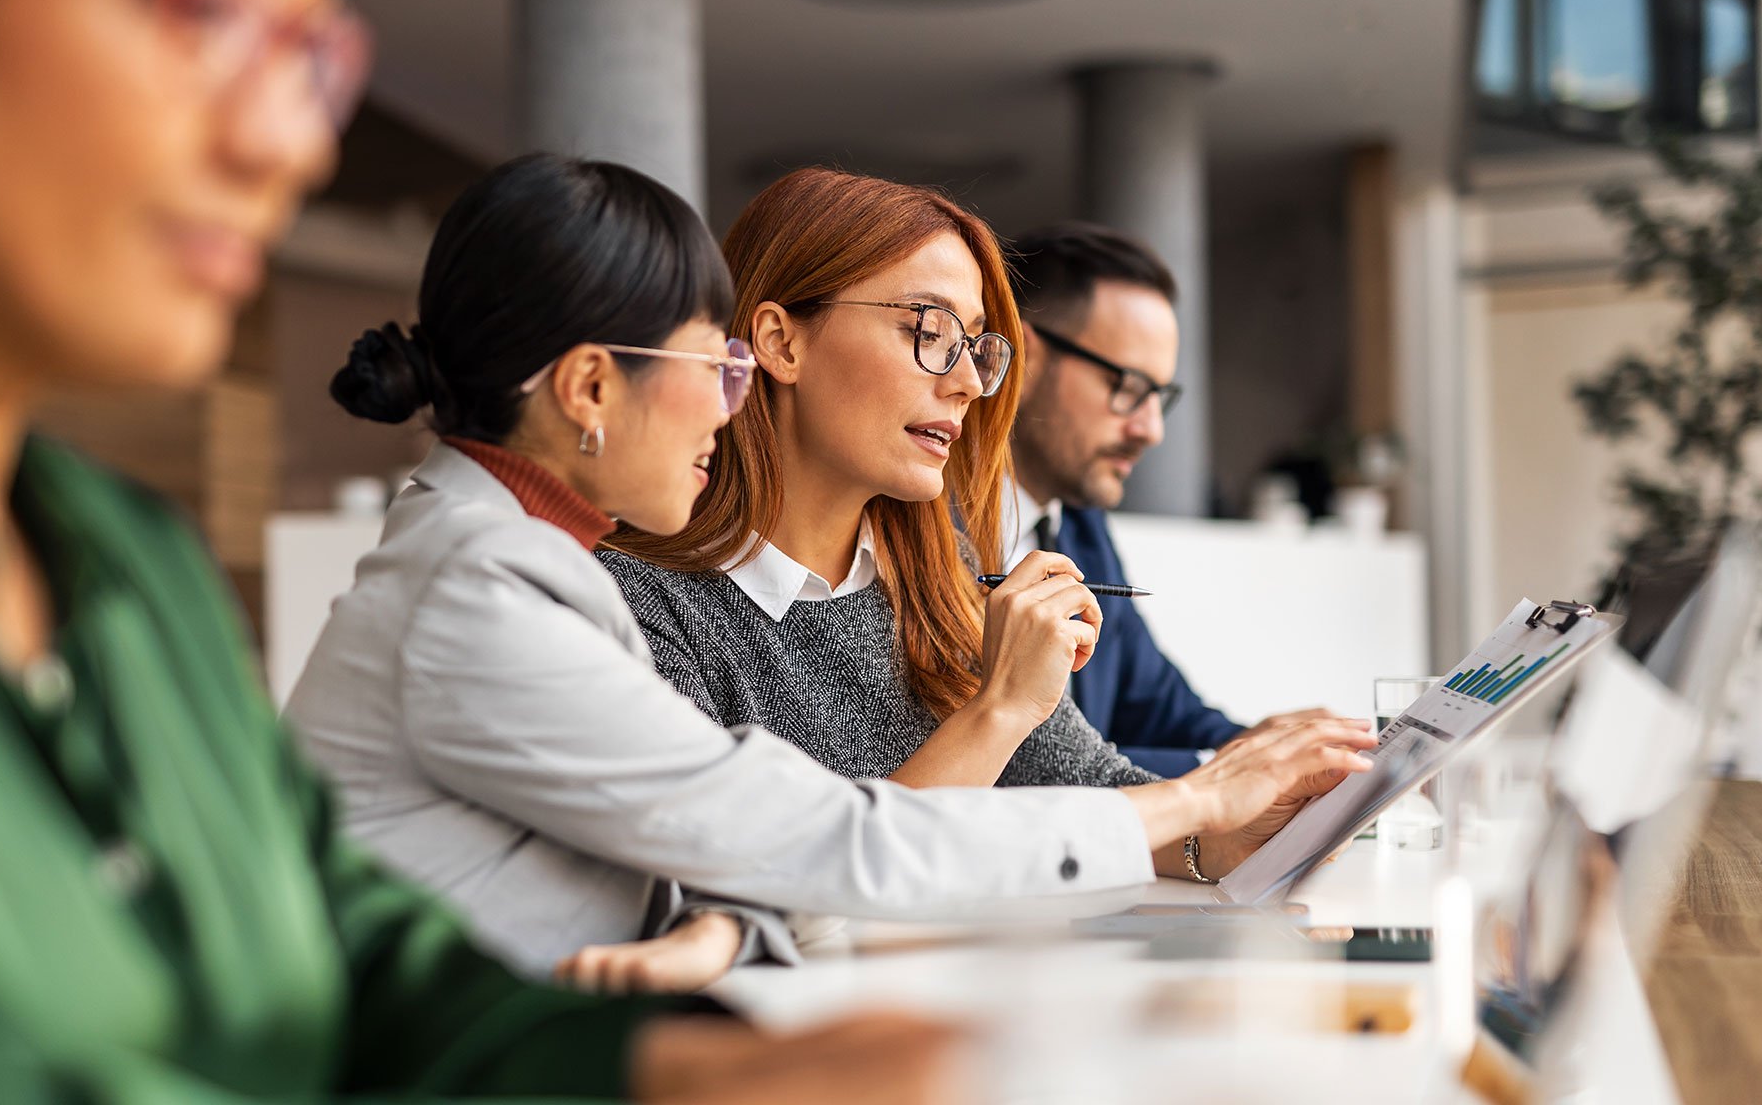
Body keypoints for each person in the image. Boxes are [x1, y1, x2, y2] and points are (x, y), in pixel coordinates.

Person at [0, 0, 970, 1101]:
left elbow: (358, 961)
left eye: (311, 49)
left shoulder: (139, 565)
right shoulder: (476, 579)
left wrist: (673, 1067)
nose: (293, 141)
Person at [284, 153, 1375, 996]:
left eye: (976, 346)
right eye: (708, 363)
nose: (726, 396)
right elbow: (808, 849)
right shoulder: (496, 590)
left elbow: (737, 865)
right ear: (588, 388)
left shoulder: (516, 559)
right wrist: (1186, 792)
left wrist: (1219, 829)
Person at [596, 167, 1374, 890]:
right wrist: (1001, 710)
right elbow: (772, 891)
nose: (969, 382)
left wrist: (1235, 835)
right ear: (780, 341)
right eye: (930, 331)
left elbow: (1093, 793)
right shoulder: (633, 604)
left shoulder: (940, 570)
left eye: (974, 347)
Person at [1003, 223, 1326, 776]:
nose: (1151, 430)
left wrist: (1278, 749)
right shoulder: (922, 528)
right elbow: (1016, 769)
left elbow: (1160, 712)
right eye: (1129, 387)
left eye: (1159, 396)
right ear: (1027, 358)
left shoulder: (1080, 527)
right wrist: (1235, 768)